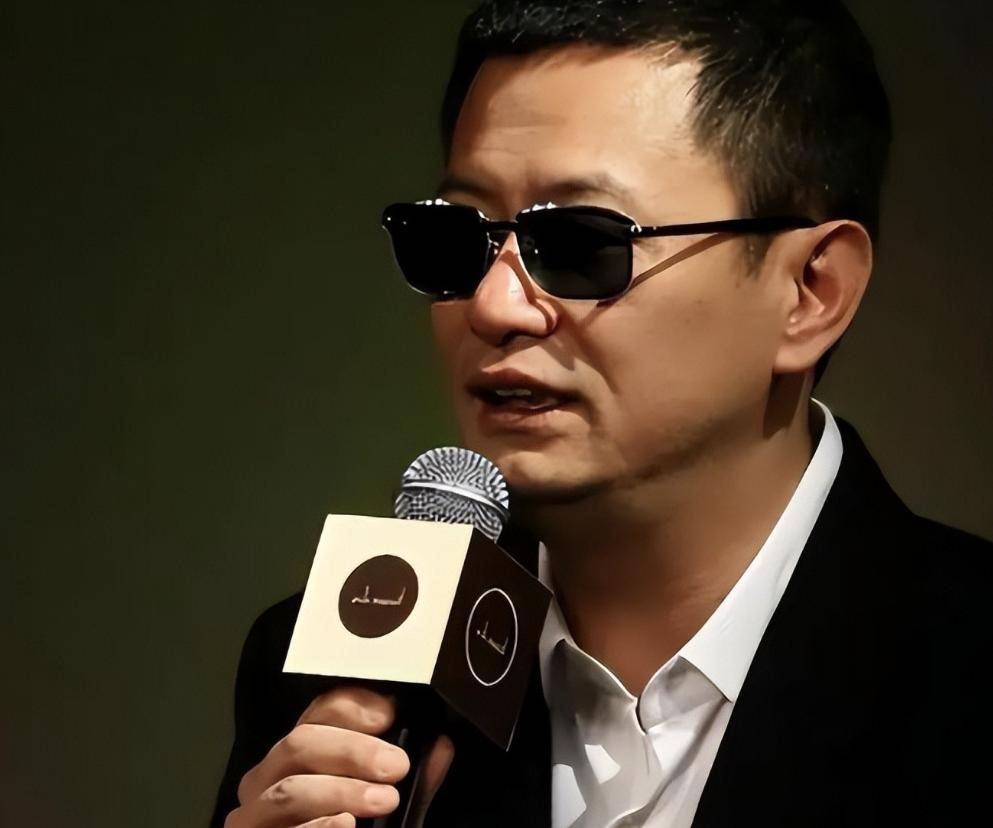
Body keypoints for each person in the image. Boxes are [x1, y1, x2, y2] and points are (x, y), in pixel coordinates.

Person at [211, 1, 992, 826]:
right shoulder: (338, 677)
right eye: (456, 239)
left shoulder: (965, 669)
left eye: (581, 244)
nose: (494, 305)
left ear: (809, 291)